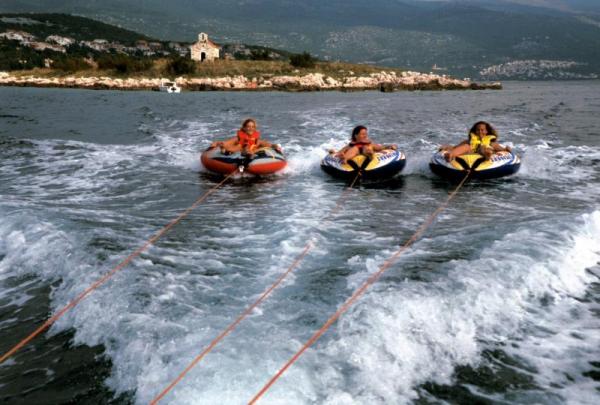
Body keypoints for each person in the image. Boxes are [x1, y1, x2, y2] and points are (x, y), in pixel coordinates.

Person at [440, 121, 511, 161]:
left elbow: (503, 150)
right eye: (478, 130)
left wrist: (507, 149)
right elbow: (455, 147)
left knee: (483, 147)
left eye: (482, 130)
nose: (480, 132)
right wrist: (446, 148)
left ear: (486, 131)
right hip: (470, 154)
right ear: (475, 131)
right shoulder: (468, 141)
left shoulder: (492, 143)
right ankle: (450, 155)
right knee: (466, 146)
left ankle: (487, 155)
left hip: (484, 152)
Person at [210, 118, 282, 157]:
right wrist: (218, 144)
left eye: (252, 127)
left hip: (253, 154)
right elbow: (227, 143)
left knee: (259, 150)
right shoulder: (238, 139)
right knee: (238, 147)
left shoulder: (257, 140)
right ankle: (224, 152)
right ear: (244, 128)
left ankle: (248, 153)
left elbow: (268, 145)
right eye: (248, 126)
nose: (250, 128)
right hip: (236, 154)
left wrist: (275, 146)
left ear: (255, 128)